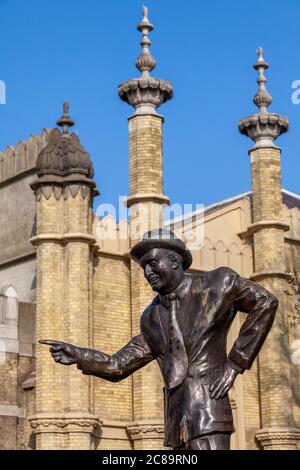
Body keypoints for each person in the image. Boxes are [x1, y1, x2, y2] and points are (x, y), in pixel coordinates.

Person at [41, 229, 278, 450]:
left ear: (174, 261)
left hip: (210, 415)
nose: (147, 272)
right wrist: (80, 355)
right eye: (143, 267)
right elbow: (119, 364)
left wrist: (235, 363)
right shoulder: (151, 317)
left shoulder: (217, 284)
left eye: (152, 264)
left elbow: (265, 302)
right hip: (176, 426)